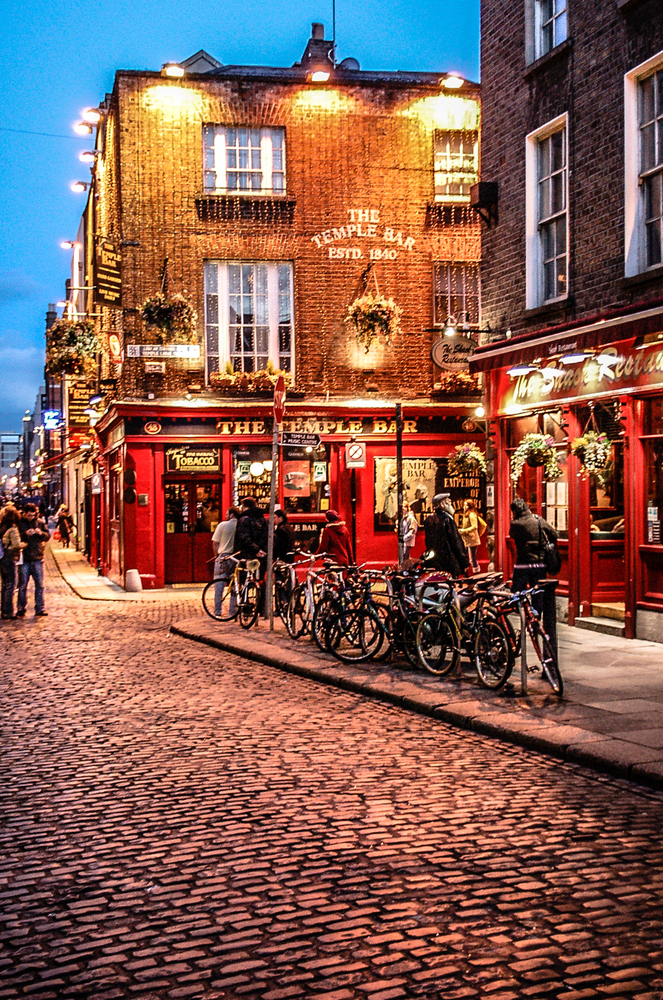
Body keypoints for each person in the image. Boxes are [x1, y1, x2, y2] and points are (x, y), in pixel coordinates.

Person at [509, 497, 557, 610]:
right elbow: (554, 534)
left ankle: (524, 615)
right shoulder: (538, 520)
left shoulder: (515, 524)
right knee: (538, 595)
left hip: (522, 564)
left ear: (515, 511)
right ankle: (536, 620)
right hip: (539, 564)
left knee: (516, 593)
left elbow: (512, 535)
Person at [423, 493, 470, 577]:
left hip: (433, 561)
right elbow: (456, 542)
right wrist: (464, 562)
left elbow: (428, 541)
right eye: (448, 502)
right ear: (442, 504)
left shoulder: (429, 519)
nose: (451, 504)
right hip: (449, 561)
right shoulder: (447, 519)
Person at [17, 503, 50, 617]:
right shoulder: (19, 523)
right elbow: (16, 537)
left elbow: (47, 536)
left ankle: (40, 608)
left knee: (39, 585)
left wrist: (41, 533)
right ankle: (21, 608)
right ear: (24, 513)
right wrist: (25, 534)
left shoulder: (40, 522)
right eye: (29, 515)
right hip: (24, 558)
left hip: (37, 557)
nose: (31, 517)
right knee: (22, 586)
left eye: (33, 515)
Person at [211, 506, 241, 616]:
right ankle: (232, 611)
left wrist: (217, 555)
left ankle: (218, 610)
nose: (225, 516)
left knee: (219, 584)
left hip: (223, 556)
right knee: (235, 585)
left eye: (227, 514)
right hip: (236, 557)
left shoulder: (222, 525)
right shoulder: (240, 525)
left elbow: (215, 542)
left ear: (232, 514)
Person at [1, 508, 26, 620]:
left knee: (5, 585)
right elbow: (16, 544)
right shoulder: (12, 529)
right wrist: (24, 544)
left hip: (2, 558)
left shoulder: (2, 527)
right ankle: (8, 611)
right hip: (10, 558)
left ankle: (4, 610)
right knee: (11, 584)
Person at [459, 498, 481, 572]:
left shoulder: (472, 515)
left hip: (472, 539)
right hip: (466, 539)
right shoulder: (466, 514)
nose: (464, 507)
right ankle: (465, 570)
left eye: (466, 505)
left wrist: (463, 530)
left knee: (472, 558)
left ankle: (476, 571)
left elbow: (475, 526)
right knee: (464, 556)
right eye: (464, 505)